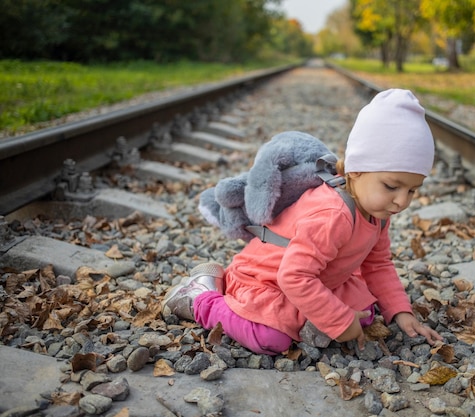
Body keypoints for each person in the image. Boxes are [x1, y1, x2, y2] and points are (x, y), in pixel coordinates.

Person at [162, 88, 443, 355]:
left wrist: (401, 312)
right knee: (271, 340)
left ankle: (309, 319)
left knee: (366, 313)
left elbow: (378, 264)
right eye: (392, 186)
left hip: (317, 278)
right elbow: (292, 277)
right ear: (356, 170)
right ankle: (200, 297)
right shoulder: (333, 215)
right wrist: (338, 320)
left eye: (412, 190)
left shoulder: (377, 212)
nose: (402, 201)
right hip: (266, 280)